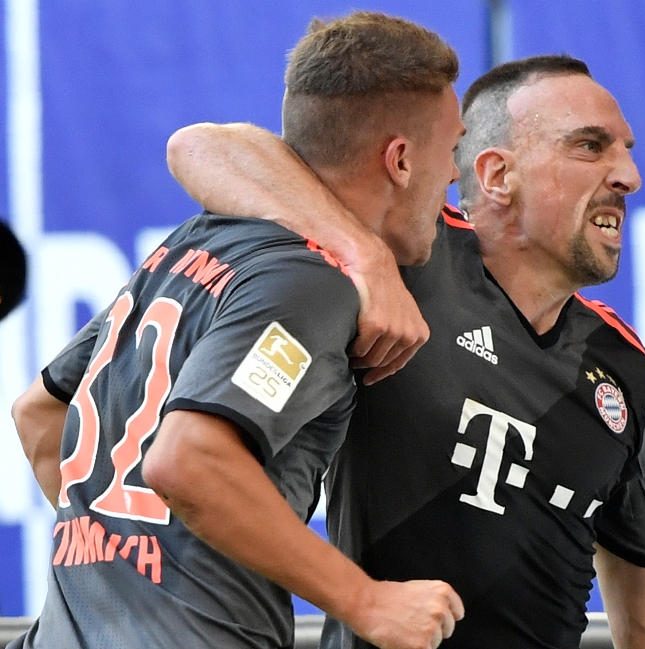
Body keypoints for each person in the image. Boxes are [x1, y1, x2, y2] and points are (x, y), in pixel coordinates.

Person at [167, 54, 645, 649]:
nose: (628, 174)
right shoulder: (406, 254)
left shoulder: (623, 366)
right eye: (590, 146)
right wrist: (364, 255)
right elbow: (201, 148)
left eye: (625, 150)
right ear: (497, 176)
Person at [9, 13, 466, 649]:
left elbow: (38, 414)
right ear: (400, 159)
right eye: (453, 150)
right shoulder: (312, 284)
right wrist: (366, 600)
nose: (456, 177)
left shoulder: (192, 244)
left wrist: (127, 562)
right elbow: (190, 460)